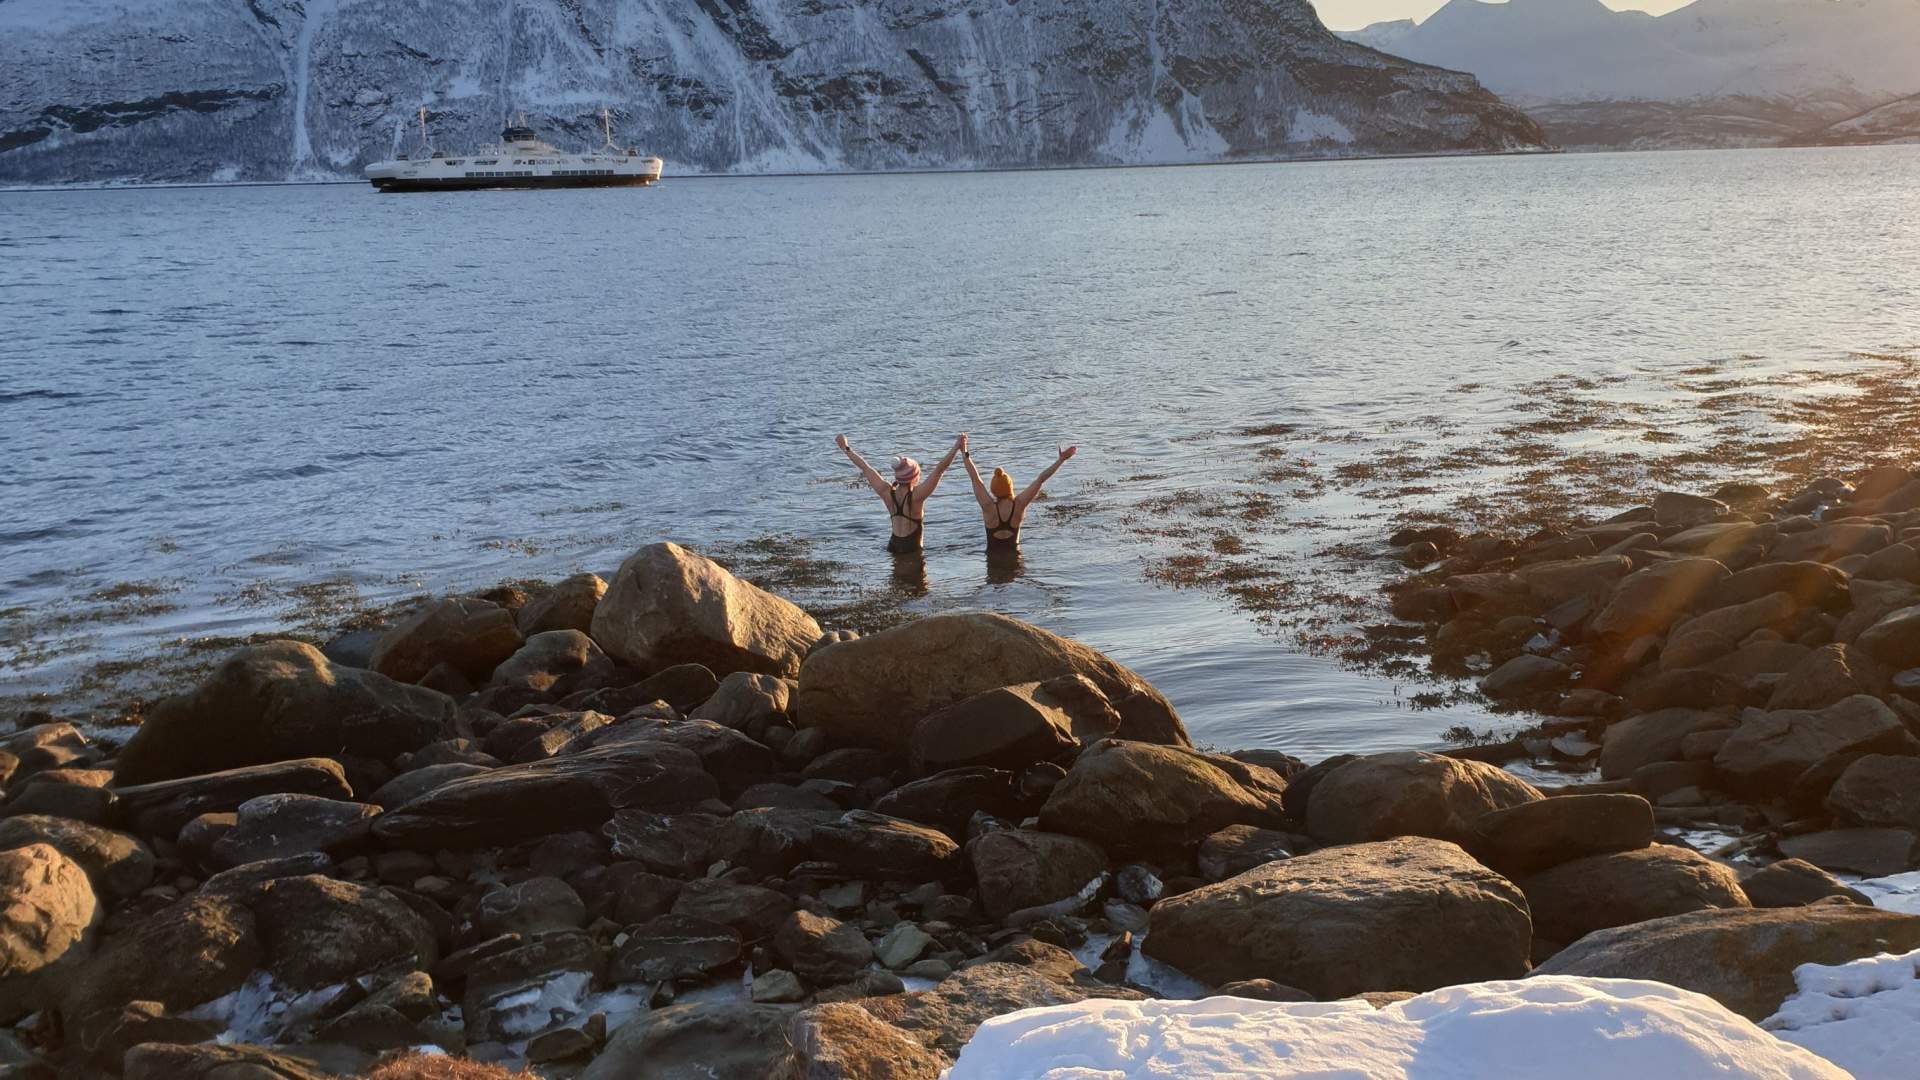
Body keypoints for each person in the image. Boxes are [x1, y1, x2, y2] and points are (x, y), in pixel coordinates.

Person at [836, 433, 965, 554]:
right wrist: (956, 448)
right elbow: (940, 469)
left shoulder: (886, 492)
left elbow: (865, 467)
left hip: (893, 546)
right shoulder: (916, 496)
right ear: (914, 477)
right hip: (911, 550)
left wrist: (845, 448)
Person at [964, 443, 1077, 554]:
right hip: (1015, 561)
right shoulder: (1019, 504)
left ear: (993, 490)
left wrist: (964, 450)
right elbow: (1041, 479)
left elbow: (975, 478)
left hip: (992, 562)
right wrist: (1061, 460)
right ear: (1010, 487)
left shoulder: (988, 507)